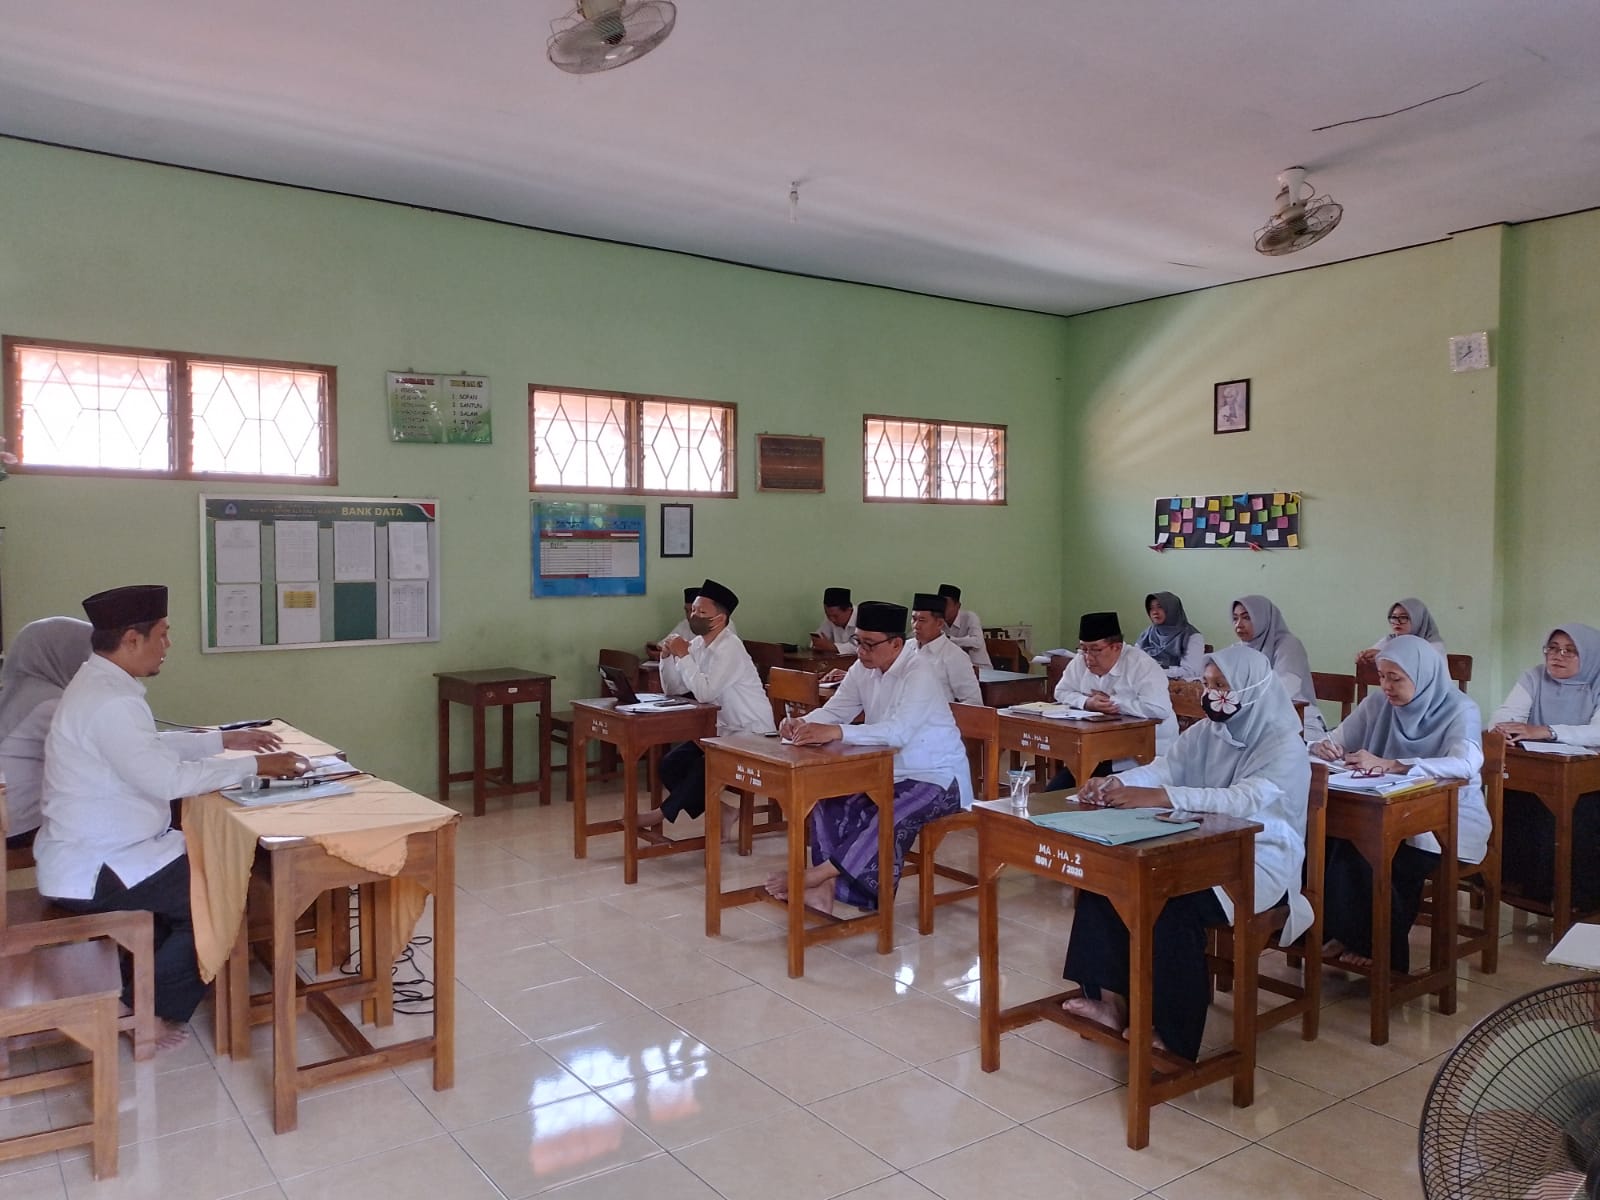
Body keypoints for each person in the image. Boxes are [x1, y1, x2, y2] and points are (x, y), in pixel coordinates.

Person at [33, 585, 309, 1046]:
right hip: (98, 867)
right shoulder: (111, 702)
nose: (168, 645)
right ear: (131, 639)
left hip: (99, 852)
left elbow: (143, 750)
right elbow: (165, 780)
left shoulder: (98, 683)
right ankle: (147, 1013)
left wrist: (224, 741)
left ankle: (138, 992)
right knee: (218, 893)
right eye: (162, 635)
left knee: (205, 870)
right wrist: (255, 765)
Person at [1062, 644, 1311, 1060]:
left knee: (1172, 904)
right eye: (1208, 685)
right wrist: (1115, 786)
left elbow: (1242, 800)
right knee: (1108, 879)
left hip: (1259, 858)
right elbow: (1165, 768)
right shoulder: (1205, 733)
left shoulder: (1283, 745)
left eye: (1222, 686)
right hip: (1196, 845)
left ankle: (1176, 1032)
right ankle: (1109, 1000)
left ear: (1251, 688)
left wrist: (1159, 796)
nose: (1212, 695)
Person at [769, 601, 969, 913]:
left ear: (896, 644)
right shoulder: (864, 667)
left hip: (938, 777)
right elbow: (838, 709)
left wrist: (835, 732)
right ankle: (826, 889)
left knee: (889, 812)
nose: (861, 651)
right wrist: (804, 724)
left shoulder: (920, 672)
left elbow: (898, 732)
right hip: (886, 771)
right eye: (858, 642)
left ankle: (817, 875)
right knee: (827, 796)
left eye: (869, 644)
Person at [1311, 635, 1488, 971]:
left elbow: (1466, 764)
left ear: (1423, 676)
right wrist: (1324, 747)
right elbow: (1333, 738)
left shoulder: (1459, 708)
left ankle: (1380, 948)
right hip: (1384, 810)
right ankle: (1345, 931)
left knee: (1367, 850)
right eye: (1382, 677)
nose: (1387, 686)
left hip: (1450, 819)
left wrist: (1395, 764)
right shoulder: (1379, 704)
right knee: (1330, 839)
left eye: (1396, 678)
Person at [641, 579, 775, 836]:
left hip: (752, 733)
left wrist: (683, 656)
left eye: (702, 613)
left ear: (720, 619)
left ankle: (662, 812)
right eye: (693, 611)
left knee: (704, 765)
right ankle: (724, 810)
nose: (695, 617)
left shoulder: (731, 647)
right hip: (721, 731)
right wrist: (667, 658)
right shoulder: (700, 645)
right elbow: (673, 690)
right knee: (670, 764)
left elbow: (704, 693)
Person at [1489, 623, 1600, 911]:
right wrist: (1504, 729)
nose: (1557, 656)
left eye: (1569, 650)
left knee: (1579, 814)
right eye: (1552, 648)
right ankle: (1519, 884)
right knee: (1510, 798)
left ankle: (1576, 897)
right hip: (1544, 770)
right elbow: (1503, 715)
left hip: (1592, 778)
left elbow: (1597, 732)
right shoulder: (1535, 676)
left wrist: (1547, 731)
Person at [1048, 611, 1177, 787]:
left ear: (1116, 647)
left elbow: (1159, 709)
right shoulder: (1080, 660)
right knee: (1056, 791)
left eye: (1095, 649)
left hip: (1145, 755)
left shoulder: (1141, 665)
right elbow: (1061, 691)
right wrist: (1087, 702)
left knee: (1099, 794)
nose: (1088, 657)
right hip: (1099, 750)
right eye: (1083, 648)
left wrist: (1115, 703)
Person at [0, 616, 94, 852]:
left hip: (8, 819)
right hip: (18, 826)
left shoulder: (19, 690)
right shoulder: (50, 702)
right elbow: (104, 754)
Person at [1230, 594, 1325, 739]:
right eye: (1235, 618)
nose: (1239, 625)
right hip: (1250, 720)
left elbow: (1284, 690)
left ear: (1262, 618)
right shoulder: (1237, 650)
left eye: (1247, 618)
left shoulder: (1288, 645)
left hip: (1297, 720)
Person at [909, 591, 981, 705]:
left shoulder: (954, 656)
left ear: (939, 623)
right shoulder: (905, 648)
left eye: (922, 620)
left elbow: (973, 702)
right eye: (913, 619)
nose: (915, 625)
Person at [1135, 591, 1205, 680]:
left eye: (1160, 607)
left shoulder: (1192, 636)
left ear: (1172, 609)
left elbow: (1191, 671)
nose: (1154, 612)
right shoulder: (1148, 633)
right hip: (1146, 682)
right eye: (1151, 608)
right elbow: (1134, 659)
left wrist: (1155, 673)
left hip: (1177, 687)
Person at [1356, 598, 1446, 667]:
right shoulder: (1391, 640)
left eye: (1403, 617)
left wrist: (1385, 655)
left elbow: (1420, 667)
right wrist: (1363, 656)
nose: (1397, 622)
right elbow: (1373, 653)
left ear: (1418, 620)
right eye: (1394, 617)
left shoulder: (1433, 645)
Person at [938, 583, 991, 668]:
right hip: (955, 668)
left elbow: (977, 642)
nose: (942, 609)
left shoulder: (970, 617)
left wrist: (948, 639)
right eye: (940, 605)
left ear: (958, 606)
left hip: (980, 668)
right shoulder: (938, 620)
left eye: (946, 605)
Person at [646, 586, 698, 660]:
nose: (689, 615)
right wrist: (657, 648)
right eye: (686, 611)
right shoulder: (684, 624)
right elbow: (664, 645)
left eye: (693, 610)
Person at [810, 587, 856, 653]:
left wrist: (833, 647)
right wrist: (817, 644)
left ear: (849, 609)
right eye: (828, 615)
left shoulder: (863, 618)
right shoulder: (830, 618)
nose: (832, 620)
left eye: (835, 616)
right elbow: (818, 638)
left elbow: (861, 647)